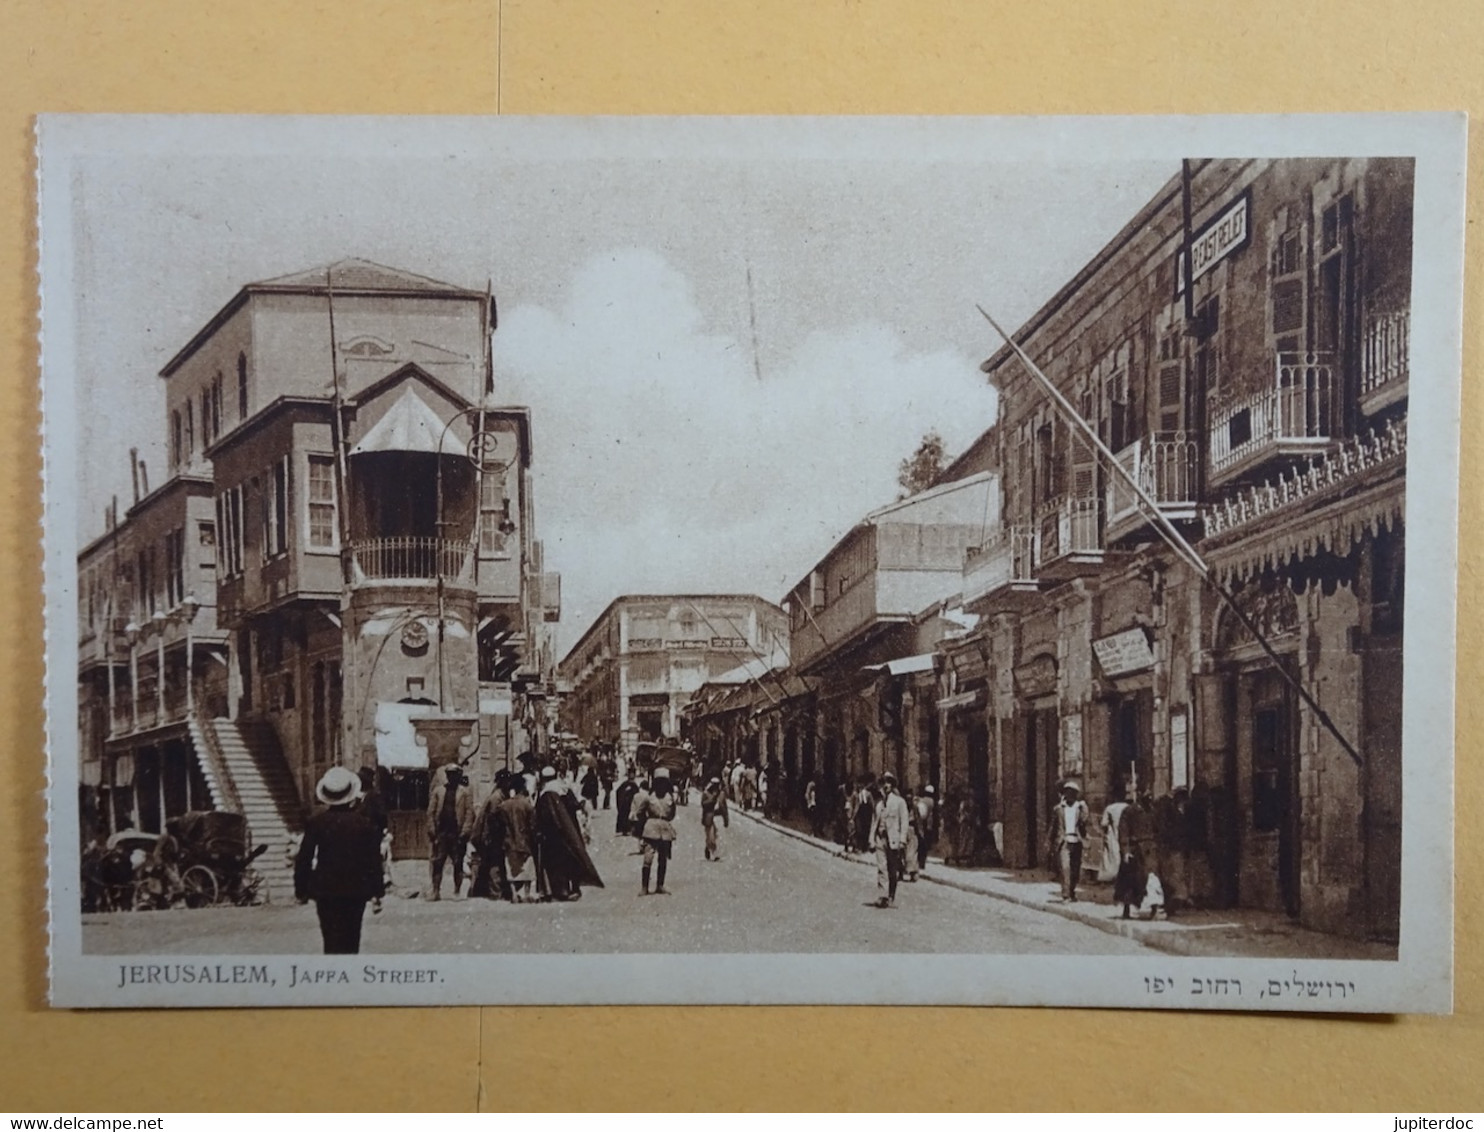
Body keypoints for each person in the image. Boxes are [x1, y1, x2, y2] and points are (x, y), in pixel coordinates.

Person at [294, 766, 385, 954]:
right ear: (351, 794)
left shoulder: (316, 823)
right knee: (352, 940)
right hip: (356, 890)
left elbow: (304, 858)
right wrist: (377, 891)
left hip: (326, 890)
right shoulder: (365, 824)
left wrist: (301, 889)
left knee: (330, 941)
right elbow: (373, 860)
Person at [533, 766, 604, 901]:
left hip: (552, 835)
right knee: (571, 858)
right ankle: (575, 888)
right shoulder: (564, 788)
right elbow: (576, 805)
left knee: (556, 863)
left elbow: (543, 816)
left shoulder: (545, 794)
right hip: (570, 830)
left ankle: (561, 890)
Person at [426, 763, 474, 901]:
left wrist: (465, 832)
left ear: (458, 776)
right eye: (449, 775)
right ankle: (435, 891)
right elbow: (431, 812)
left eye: (455, 775)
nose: (452, 777)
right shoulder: (438, 791)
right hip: (442, 833)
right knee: (437, 862)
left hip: (457, 833)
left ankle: (457, 891)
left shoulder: (464, 792)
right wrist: (432, 831)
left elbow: (469, 813)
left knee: (458, 862)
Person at [632, 766, 679, 894]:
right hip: (651, 830)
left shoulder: (670, 798)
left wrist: (665, 820)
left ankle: (660, 885)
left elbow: (673, 813)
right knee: (648, 858)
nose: (661, 785)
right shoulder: (649, 797)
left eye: (664, 782)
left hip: (665, 831)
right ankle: (644, 887)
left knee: (663, 859)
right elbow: (640, 812)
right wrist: (647, 822)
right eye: (659, 782)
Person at [491, 774, 538, 902]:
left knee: (511, 869)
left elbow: (497, 823)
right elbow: (533, 825)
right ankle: (526, 894)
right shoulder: (527, 805)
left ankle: (513, 894)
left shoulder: (504, 805)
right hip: (525, 842)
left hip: (509, 841)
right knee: (528, 869)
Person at [1046, 779, 1090, 902]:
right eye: (1068, 792)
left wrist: (1085, 807)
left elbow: (1084, 821)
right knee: (1065, 868)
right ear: (1065, 793)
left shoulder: (1080, 808)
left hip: (1077, 841)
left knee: (1075, 869)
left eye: (1073, 792)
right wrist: (1048, 842)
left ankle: (1072, 891)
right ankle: (1065, 895)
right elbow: (1053, 827)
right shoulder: (1058, 809)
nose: (1070, 795)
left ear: (1076, 794)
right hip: (1063, 841)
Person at [872, 774, 911, 908]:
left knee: (892, 870)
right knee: (881, 868)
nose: (886, 785)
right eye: (884, 782)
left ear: (893, 785)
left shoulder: (900, 802)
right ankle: (882, 896)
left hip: (893, 840)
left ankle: (891, 895)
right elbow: (874, 823)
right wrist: (871, 839)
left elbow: (904, 822)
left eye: (889, 783)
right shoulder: (879, 804)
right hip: (880, 839)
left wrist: (902, 840)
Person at [1115, 792, 1155, 919]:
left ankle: (1153, 909)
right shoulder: (1129, 811)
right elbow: (1123, 831)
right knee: (1129, 881)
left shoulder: (1152, 810)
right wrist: (1125, 851)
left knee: (1151, 880)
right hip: (1134, 849)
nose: (1149, 798)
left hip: (1150, 849)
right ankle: (1126, 909)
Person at [356, 766, 392, 904]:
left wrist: (378, 829)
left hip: (372, 835)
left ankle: (375, 893)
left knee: (373, 863)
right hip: (362, 836)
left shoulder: (374, 797)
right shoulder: (362, 797)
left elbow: (382, 816)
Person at [1099, 793, 1131, 883]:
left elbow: (1104, 823)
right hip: (1126, 834)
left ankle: (1112, 877)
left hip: (1113, 835)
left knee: (1112, 856)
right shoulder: (1128, 807)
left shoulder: (1110, 808)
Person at [700, 776, 729, 861]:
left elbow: (724, 807)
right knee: (711, 836)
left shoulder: (721, 794)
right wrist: (712, 799)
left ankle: (711, 850)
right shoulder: (706, 793)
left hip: (718, 817)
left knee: (716, 836)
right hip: (709, 817)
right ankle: (711, 851)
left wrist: (726, 819)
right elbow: (703, 804)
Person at [915, 785, 937, 873]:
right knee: (926, 844)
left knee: (920, 842)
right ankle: (922, 862)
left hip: (921, 824)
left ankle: (919, 861)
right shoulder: (932, 801)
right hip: (929, 824)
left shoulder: (921, 801)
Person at [615, 767, 640, 837]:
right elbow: (619, 792)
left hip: (629, 803)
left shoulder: (634, 785)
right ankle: (623, 829)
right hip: (625, 803)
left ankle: (628, 829)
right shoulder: (625, 784)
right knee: (624, 816)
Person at [902, 788, 921, 881]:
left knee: (910, 851)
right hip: (907, 829)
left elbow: (917, 820)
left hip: (910, 829)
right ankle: (910, 871)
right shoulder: (904, 807)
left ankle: (912, 872)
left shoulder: (913, 807)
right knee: (908, 852)